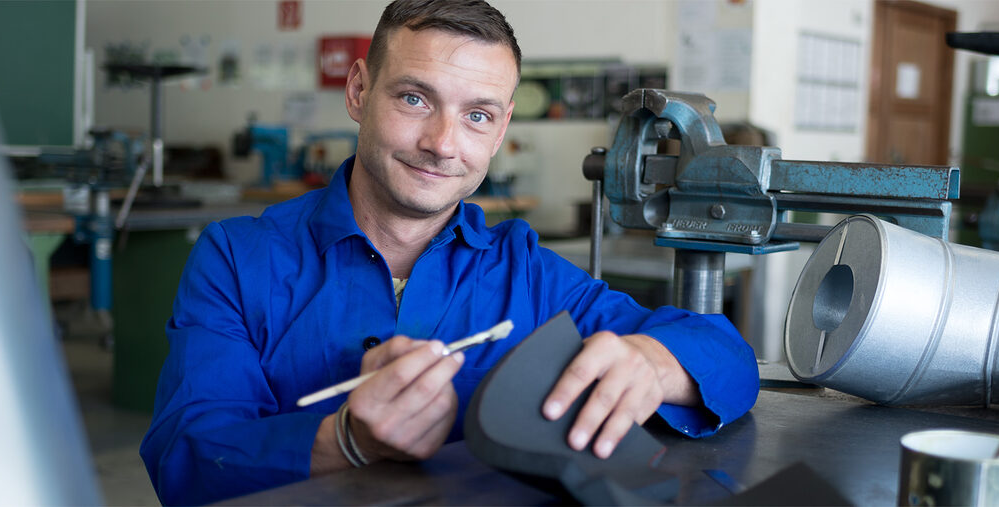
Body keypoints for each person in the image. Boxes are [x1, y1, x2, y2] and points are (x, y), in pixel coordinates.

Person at [140, 0, 758, 504]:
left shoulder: (529, 275)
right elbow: (185, 462)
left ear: (503, 127)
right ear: (358, 91)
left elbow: (726, 355)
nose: (443, 144)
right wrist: (344, 440)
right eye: (415, 98)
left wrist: (651, 362)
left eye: (478, 115)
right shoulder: (239, 260)